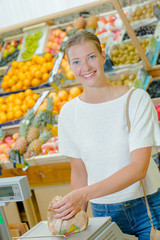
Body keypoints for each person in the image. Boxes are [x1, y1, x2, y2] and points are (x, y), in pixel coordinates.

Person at [51, 31, 160, 240]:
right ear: (70, 67)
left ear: (102, 57)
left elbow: (138, 169)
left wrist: (83, 195)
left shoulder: (136, 100)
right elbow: (79, 171)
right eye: (76, 62)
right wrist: (77, 214)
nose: (86, 67)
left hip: (148, 207)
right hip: (103, 211)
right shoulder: (68, 112)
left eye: (91, 57)